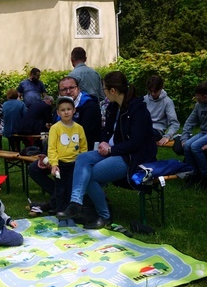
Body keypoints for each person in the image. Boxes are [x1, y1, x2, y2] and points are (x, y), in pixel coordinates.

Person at [57, 71, 157, 229]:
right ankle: (75, 202)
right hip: (114, 150)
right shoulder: (113, 107)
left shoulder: (138, 110)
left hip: (131, 157)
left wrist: (111, 149)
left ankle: (105, 216)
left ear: (113, 91)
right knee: (82, 158)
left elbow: (136, 143)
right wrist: (104, 142)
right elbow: (106, 131)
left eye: (104, 89)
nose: (103, 92)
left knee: (90, 175)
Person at [39, 97, 87, 216]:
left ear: (74, 110)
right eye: (63, 110)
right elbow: (52, 148)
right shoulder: (55, 128)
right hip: (60, 164)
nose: (66, 112)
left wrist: (81, 163)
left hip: (75, 164)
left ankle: (70, 212)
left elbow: (83, 147)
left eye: (69, 109)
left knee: (72, 189)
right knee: (60, 189)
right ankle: (60, 211)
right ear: (58, 112)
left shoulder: (79, 128)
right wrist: (54, 164)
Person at [57, 76, 101, 150]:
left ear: (78, 89)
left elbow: (87, 135)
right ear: (59, 93)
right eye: (64, 89)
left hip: (84, 149)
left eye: (71, 88)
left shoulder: (90, 106)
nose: (68, 92)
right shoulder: (59, 108)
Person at [143, 75, 180, 146]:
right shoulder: (144, 99)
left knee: (143, 135)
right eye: (151, 91)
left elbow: (175, 123)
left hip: (157, 131)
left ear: (161, 88)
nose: (153, 94)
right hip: (144, 128)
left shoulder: (167, 102)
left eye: (155, 91)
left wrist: (167, 136)